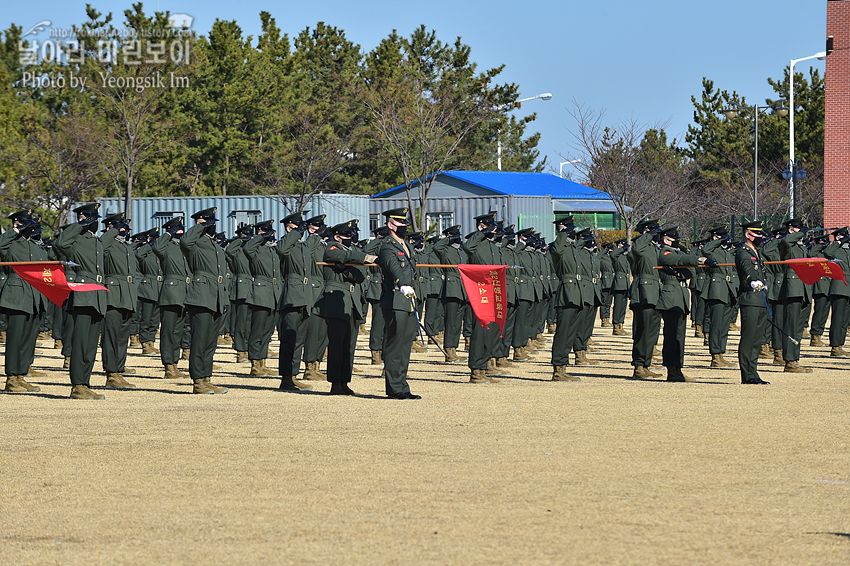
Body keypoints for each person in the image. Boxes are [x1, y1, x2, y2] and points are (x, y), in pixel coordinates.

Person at [54, 203, 109, 399]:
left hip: (97, 294)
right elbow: (60, 244)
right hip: (83, 293)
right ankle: (77, 385)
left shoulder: (97, 241)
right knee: (81, 342)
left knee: (91, 344)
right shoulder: (76, 238)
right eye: (92, 219)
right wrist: (79, 224)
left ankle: (85, 383)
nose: (95, 223)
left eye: (95, 219)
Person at [318, 221, 377, 395]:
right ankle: (335, 383)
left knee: (348, 346)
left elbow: (360, 277)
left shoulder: (351, 253)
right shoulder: (332, 247)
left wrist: (345, 271)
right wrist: (363, 258)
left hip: (351, 302)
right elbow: (332, 256)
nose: (349, 238)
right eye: (346, 236)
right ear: (337, 236)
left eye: (351, 236)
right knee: (336, 345)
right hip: (336, 300)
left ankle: (344, 381)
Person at [180, 207, 228, 394]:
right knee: (200, 340)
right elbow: (185, 241)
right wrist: (200, 226)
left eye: (213, 222)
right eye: (209, 222)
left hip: (215, 296)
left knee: (209, 342)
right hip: (200, 296)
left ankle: (206, 377)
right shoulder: (196, 241)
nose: (213, 225)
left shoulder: (213, 244)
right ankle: (198, 380)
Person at [0, 210, 47, 393]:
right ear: (17, 224)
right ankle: (11, 378)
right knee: (15, 338)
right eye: (25, 223)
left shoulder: (34, 246)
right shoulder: (11, 243)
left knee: (28, 338)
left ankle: (21, 375)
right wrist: (15, 231)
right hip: (16, 294)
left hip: (35, 295)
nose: (30, 226)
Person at [377, 208, 421, 399]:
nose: (404, 226)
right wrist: (402, 283)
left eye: (405, 223)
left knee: (405, 346)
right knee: (395, 345)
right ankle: (394, 388)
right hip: (395, 297)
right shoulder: (388, 246)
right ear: (390, 224)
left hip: (408, 299)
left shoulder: (406, 245)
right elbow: (394, 267)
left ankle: (402, 385)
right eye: (400, 223)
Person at [656, 226, 710, 381]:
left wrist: (678, 272)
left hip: (681, 298)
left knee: (680, 337)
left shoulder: (679, 254)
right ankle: (671, 369)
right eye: (674, 239)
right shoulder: (665, 252)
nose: (677, 242)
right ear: (666, 239)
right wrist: (699, 260)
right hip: (670, 297)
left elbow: (691, 272)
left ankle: (678, 368)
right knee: (671, 336)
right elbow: (677, 260)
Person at [276, 211, 322, 391]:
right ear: (289, 228)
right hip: (292, 296)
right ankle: (286, 377)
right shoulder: (285, 243)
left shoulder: (302, 246)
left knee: (299, 340)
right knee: (289, 339)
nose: (301, 230)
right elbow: (281, 250)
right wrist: (294, 233)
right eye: (297, 226)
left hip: (305, 296)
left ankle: (293, 376)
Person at [100, 213, 140, 389]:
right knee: (111, 337)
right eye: (119, 227)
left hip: (128, 295)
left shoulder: (126, 246)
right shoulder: (107, 244)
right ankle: (111, 374)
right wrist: (112, 229)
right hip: (113, 295)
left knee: (122, 337)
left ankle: (119, 371)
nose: (123, 230)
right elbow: (100, 245)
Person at [153, 216, 191, 379]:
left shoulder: (185, 248)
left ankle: (175, 364)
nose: (180, 232)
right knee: (168, 331)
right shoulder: (166, 246)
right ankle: (168, 366)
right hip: (170, 293)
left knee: (177, 331)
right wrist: (168, 234)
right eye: (177, 229)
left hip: (184, 293)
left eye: (181, 229)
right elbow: (156, 247)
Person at [243, 220, 282, 377]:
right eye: (264, 232)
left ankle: (263, 362)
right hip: (260, 292)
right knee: (257, 330)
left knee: (267, 331)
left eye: (269, 232)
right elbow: (247, 249)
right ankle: (254, 364)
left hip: (273, 293)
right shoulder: (256, 248)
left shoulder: (271, 250)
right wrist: (259, 237)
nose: (268, 234)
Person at [734, 220, 771, 384]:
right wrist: (752, 281)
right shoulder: (743, 251)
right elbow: (746, 268)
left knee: (757, 340)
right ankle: (747, 375)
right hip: (750, 298)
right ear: (748, 234)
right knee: (748, 338)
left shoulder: (757, 251)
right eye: (757, 234)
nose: (760, 237)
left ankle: (753, 372)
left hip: (761, 299)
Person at [549, 216, 584, 382]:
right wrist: (562, 233)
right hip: (566, 293)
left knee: (570, 333)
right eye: (569, 228)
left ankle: (563, 367)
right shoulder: (558, 247)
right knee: (562, 333)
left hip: (576, 293)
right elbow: (556, 251)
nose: (573, 231)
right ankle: (557, 368)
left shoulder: (571, 247)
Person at [628, 219, 664, 379]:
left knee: (651, 332)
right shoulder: (639, 248)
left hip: (654, 293)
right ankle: (639, 366)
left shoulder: (654, 249)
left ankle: (645, 364)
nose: (656, 236)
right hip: (643, 293)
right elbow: (635, 249)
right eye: (654, 232)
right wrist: (647, 235)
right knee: (643, 331)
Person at [701, 226, 739, 369]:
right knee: (716, 325)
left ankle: (721, 354)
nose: (725, 238)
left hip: (728, 289)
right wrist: (717, 241)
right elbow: (705, 250)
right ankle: (715, 356)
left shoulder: (726, 252)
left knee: (723, 325)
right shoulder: (713, 249)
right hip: (716, 289)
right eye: (722, 236)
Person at [779, 218, 813, 373]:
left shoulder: (800, 246)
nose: (801, 232)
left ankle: (795, 359)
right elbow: (785, 242)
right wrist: (799, 234)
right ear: (791, 229)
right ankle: (790, 360)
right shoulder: (787, 243)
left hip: (804, 288)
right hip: (793, 288)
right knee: (791, 326)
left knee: (798, 327)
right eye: (798, 229)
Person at [431, 225, 467, 363]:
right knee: (451, 321)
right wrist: (448, 239)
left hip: (462, 288)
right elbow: (436, 248)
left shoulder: (462, 251)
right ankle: (448, 350)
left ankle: (454, 349)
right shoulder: (445, 249)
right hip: (451, 288)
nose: (457, 237)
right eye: (454, 235)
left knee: (457, 322)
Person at [225, 224, 254, 363]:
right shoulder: (237, 250)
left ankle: (249, 349)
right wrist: (239, 240)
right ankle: (241, 351)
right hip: (241, 288)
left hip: (253, 288)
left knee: (250, 323)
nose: (247, 237)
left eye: (249, 235)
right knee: (241, 323)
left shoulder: (252, 249)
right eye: (245, 234)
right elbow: (229, 251)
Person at [823, 227, 850, 357]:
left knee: (845, 319)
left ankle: (840, 345)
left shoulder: (848, 250)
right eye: (841, 237)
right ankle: (834, 346)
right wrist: (837, 242)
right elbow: (827, 253)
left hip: (848, 288)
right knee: (838, 318)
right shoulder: (835, 249)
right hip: (839, 287)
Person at [363, 226, 388, 365]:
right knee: (378, 323)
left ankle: (385, 352)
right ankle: (375, 352)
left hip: (388, 286)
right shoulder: (376, 246)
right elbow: (365, 252)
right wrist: (378, 239)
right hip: (377, 287)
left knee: (387, 323)